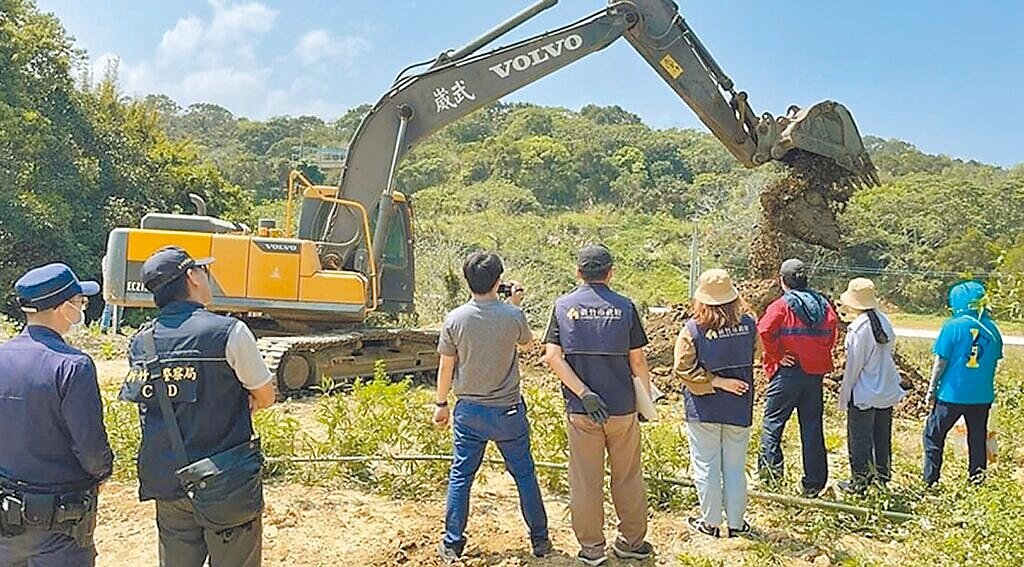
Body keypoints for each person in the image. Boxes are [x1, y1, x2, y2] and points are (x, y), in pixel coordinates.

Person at [121, 246, 276, 567]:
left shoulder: (142, 341)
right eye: (204, 271)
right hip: (225, 481)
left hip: (168, 481)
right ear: (191, 276)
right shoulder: (228, 332)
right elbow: (265, 395)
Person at [433, 252, 550, 563]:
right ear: (499, 281)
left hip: (469, 410)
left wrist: (441, 404)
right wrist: (515, 305)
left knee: (461, 476)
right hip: (508, 411)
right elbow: (526, 344)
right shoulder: (513, 316)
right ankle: (540, 539)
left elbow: (446, 367)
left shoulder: (454, 319)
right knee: (524, 474)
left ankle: (453, 542)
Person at [543, 244, 655, 566]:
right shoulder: (625, 307)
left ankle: (592, 550)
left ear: (578, 272)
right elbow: (638, 362)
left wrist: (583, 392)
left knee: (585, 480)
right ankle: (632, 543)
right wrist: (644, 404)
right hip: (622, 409)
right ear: (611, 272)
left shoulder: (563, 307)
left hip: (582, 411)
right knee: (628, 476)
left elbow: (552, 356)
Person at [0, 263, 113, 566]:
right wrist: (103, 472)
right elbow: (90, 444)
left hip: (6, 518)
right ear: (64, 307)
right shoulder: (72, 365)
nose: (81, 309)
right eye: (80, 302)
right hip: (61, 524)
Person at [673, 269, 760, 538]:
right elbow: (756, 354)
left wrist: (715, 382)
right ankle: (737, 524)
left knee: (706, 465)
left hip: (704, 408)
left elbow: (682, 368)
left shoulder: (692, 330)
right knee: (734, 466)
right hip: (739, 404)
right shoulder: (749, 324)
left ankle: (710, 523)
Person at [756, 258, 838, 498]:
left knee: (773, 423)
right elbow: (832, 332)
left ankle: (771, 479)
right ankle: (814, 483)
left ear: (783, 281)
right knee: (812, 426)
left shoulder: (781, 306)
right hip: (814, 375)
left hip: (788, 374)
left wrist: (778, 355)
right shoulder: (824, 305)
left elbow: (764, 330)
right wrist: (819, 353)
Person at [923, 280, 1002, 486]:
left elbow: (941, 362)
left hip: (952, 395)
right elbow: (994, 362)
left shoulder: (952, 327)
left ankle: (931, 481)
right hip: (982, 395)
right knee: (977, 438)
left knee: (933, 434)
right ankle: (977, 480)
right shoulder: (993, 330)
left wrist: (931, 390)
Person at [835, 278, 905, 495]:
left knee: (860, 439)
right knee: (881, 436)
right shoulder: (883, 320)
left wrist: (844, 395)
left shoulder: (858, 328)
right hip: (885, 389)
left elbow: (854, 367)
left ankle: (860, 482)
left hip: (865, 391)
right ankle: (882, 477)